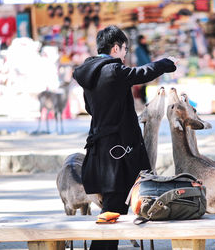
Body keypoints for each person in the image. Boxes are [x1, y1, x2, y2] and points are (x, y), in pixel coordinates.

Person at [73, 25, 177, 250]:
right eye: (124, 50)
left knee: (114, 209)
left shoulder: (88, 74)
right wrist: (166, 63)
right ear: (116, 47)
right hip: (118, 153)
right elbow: (142, 73)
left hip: (100, 149)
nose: (125, 54)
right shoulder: (112, 70)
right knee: (113, 212)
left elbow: (90, 108)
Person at [135, 34, 151, 104]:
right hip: (143, 68)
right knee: (143, 85)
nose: (145, 40)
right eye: (143, 39)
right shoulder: (138, 48)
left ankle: (144, 99)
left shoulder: (144, 47)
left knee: (145, 85)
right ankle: (143, 99)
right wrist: (150, 64)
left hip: (146, 67)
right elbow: (143, 59)